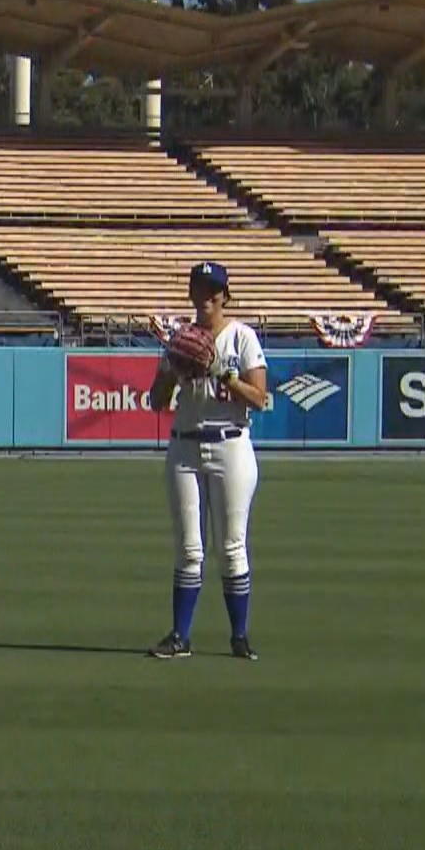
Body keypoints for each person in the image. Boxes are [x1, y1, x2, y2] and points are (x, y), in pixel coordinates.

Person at [147, 261, 271, 662]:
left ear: (225, 295)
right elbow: (156, 402)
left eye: (212, 290)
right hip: (184, 446)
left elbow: (260, 399)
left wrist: (225, 375)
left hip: (231, 445)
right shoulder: (182, 340)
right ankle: (180, 636)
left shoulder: (242, 337)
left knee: (232, 545)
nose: (205, 296)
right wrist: (170, 366)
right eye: (199, 288)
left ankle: (239, 637)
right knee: (188, 548)